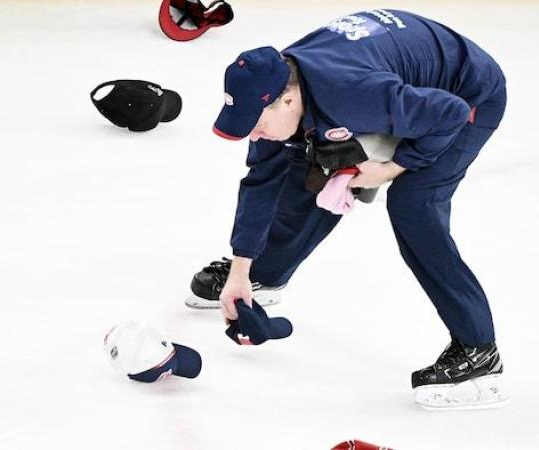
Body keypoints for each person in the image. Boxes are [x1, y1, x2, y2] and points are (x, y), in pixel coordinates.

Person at [188, 9, 508, 409]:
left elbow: (451, 114)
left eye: (254, 123)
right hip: (398, 81)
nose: (252, 134)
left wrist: (392, 167)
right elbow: (260, 184)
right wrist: (241, 270)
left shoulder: (351, 93)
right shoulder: (273, 89)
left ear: (288, 98)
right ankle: (267, 276)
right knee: (312, 160)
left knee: (414, 203)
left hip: (468, 95)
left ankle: (479, 352)